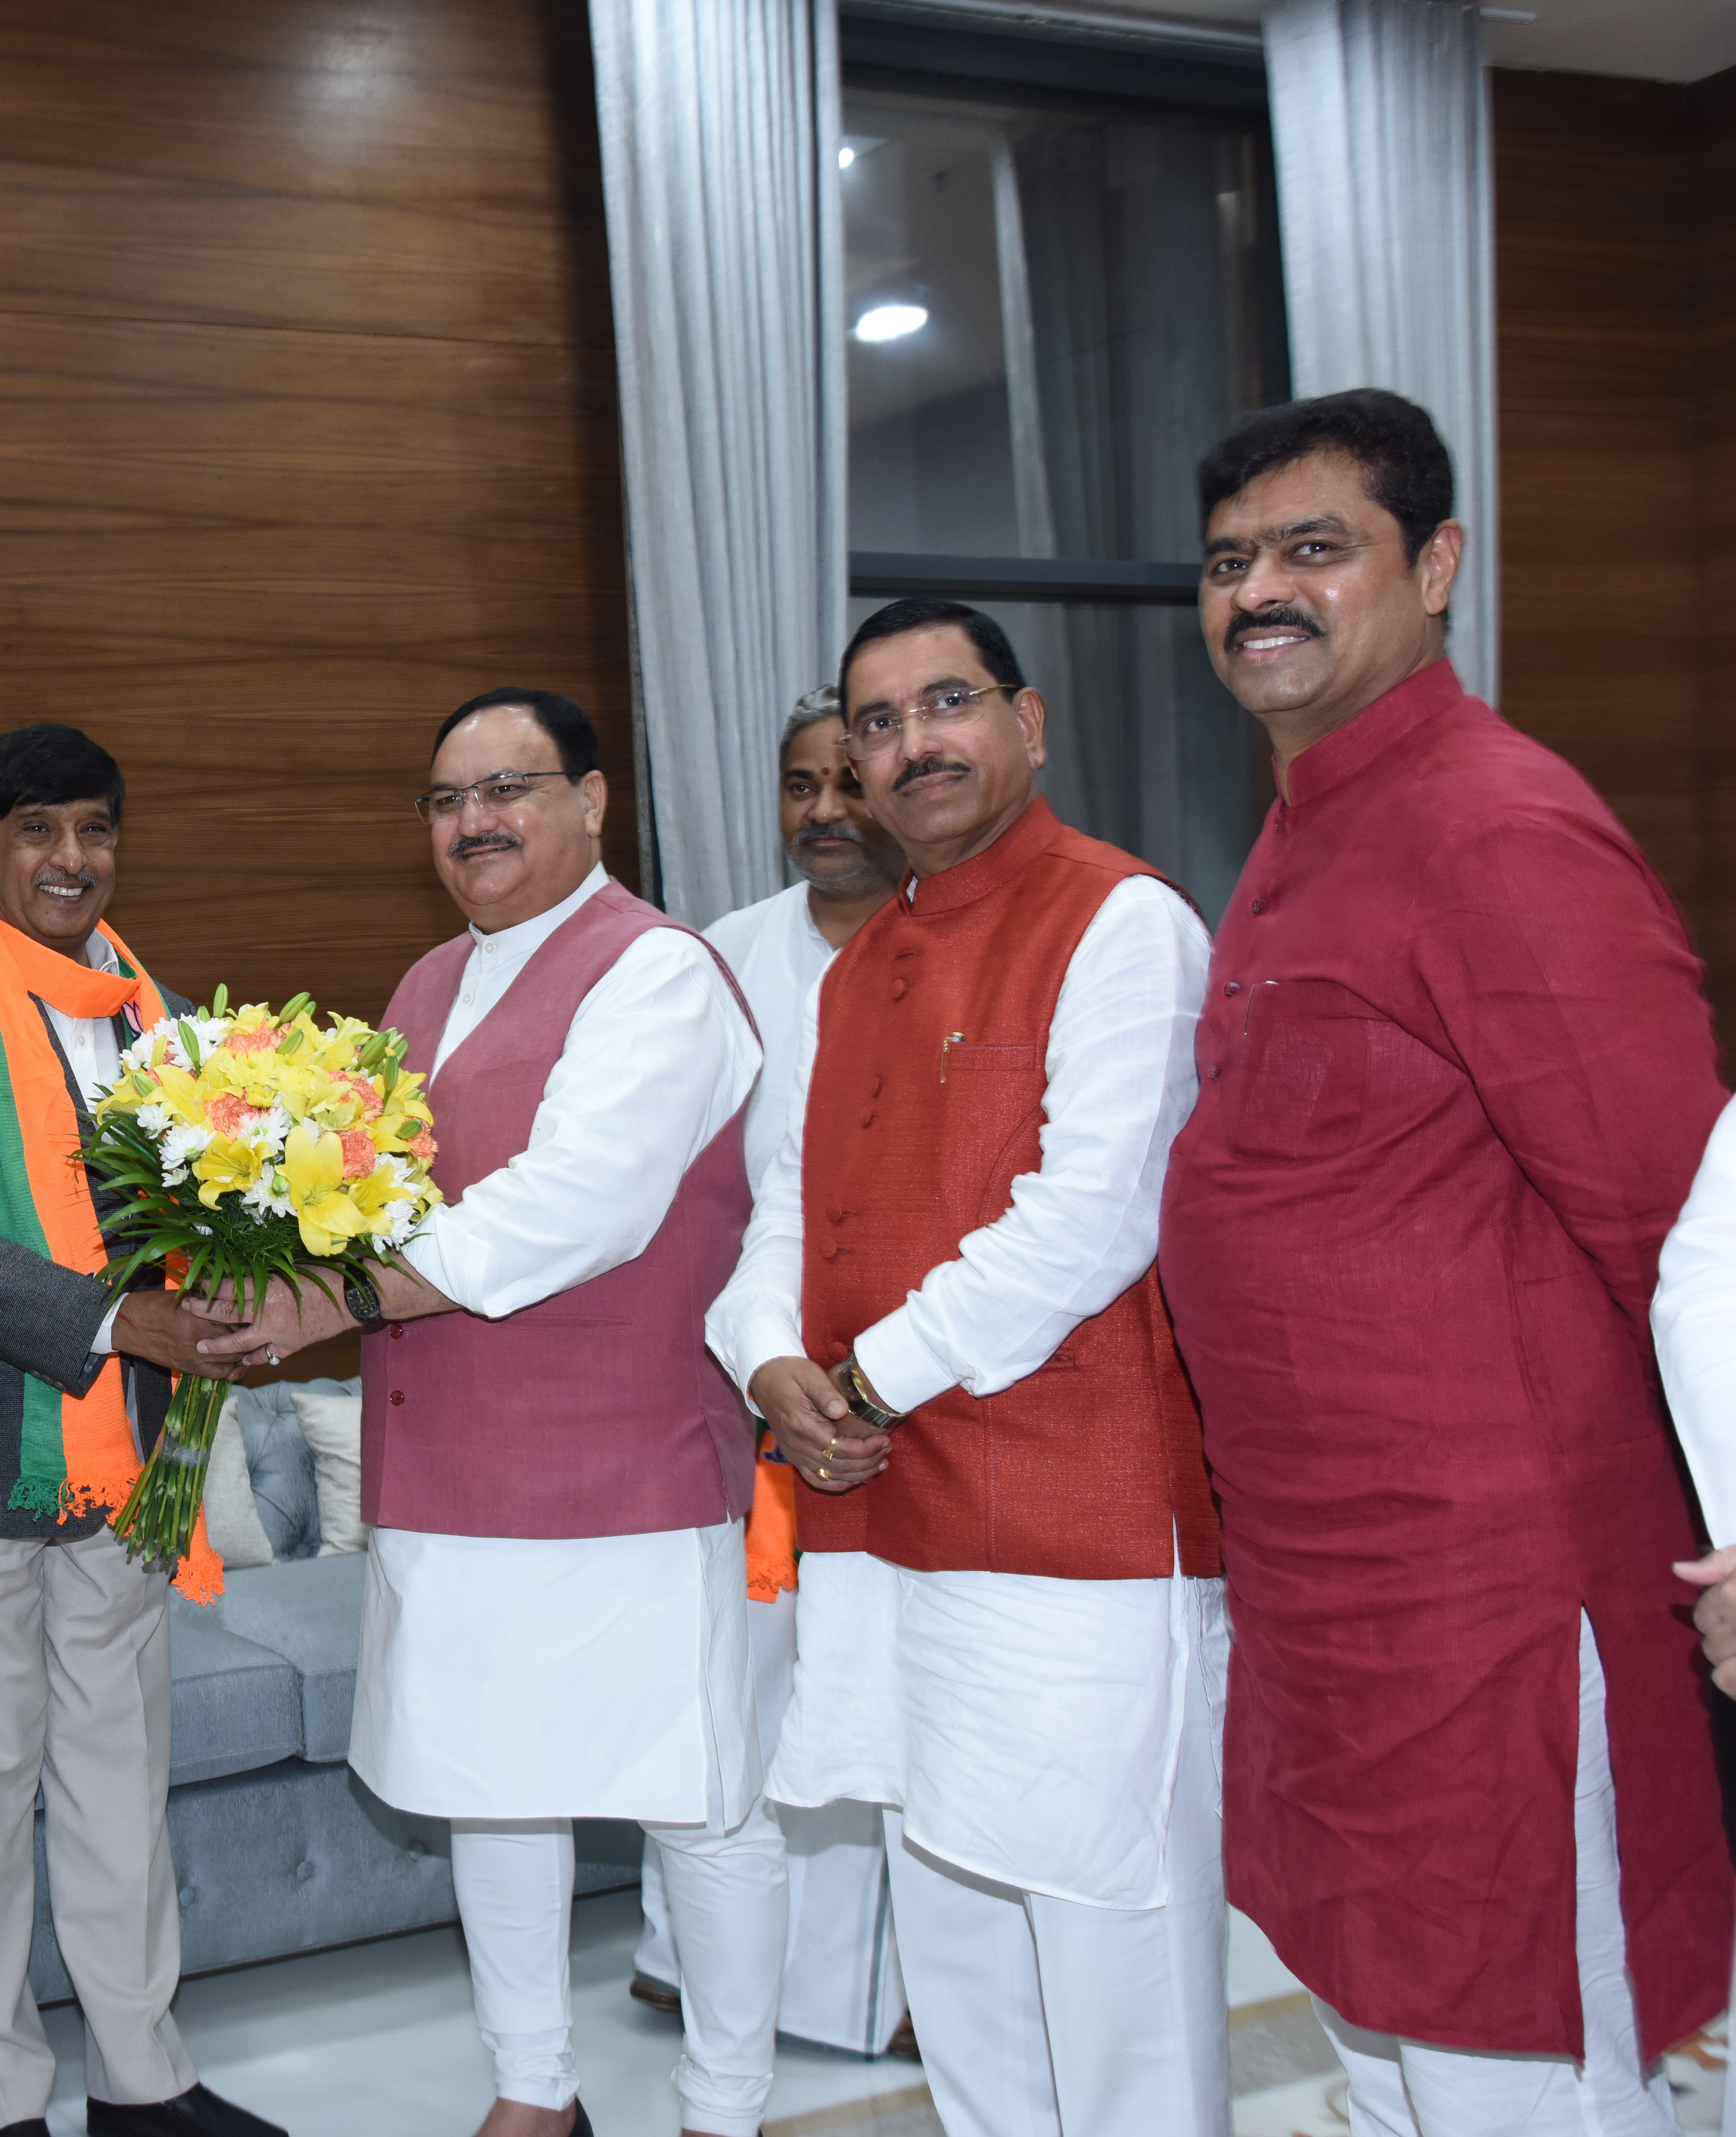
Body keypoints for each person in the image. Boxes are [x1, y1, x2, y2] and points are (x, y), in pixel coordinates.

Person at [1158, 389, 1730, 2135]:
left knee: (1527, 2060)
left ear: (1438, 566)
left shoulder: (1494, 822)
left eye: (1314, 550)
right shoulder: (1307, 816)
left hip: (1494, 1607)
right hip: (1329, 1587)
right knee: (1387, 2042)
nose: (1260, 590)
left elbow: (1688, 1211)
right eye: (1228, 560)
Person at [194, 688, 774, 2137]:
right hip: (445, 1462)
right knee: (488, 1787)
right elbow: (365, 1193)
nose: (476, 823)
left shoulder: (661, 976)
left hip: (624, 1466)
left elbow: (579, 1205)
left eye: (510, 788)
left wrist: (340, 1300)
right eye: (448, 801)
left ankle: (726, 2105)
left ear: (593, 802)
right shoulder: (426, 985)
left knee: (692, 1801)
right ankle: (535, 2089)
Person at [707, 597, 1228, 2137]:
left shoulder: (1124, 920)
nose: (911, 744)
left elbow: (1094, 1219)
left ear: (1030, 721)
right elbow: (789, 1199)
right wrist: (768, 1365)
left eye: (947, 704)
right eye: (877, 724)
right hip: (883, 1516)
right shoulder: (858, 965)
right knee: (950, 1910)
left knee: (1106, 1925)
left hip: (1080, 1529)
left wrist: (858, 1385)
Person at [0, 723, 284, 2137]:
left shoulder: (162, 1021)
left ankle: (142, 2079)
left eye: (93, 830)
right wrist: (115, 1322)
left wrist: (227, 1277)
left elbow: (209, 1211)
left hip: (140, 1459)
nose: (71, 860)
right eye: (36, 832)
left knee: (115, 1775)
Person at [632, 687, 910, 2057]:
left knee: (866, 1685)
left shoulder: (952, 943)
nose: (824, 815)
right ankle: (689, 1958)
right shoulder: (722, 956)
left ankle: (874, 1990)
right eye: (802, 787)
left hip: (911, 1378)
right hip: (737, 1368)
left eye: (847, 785)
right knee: (729, 1681)